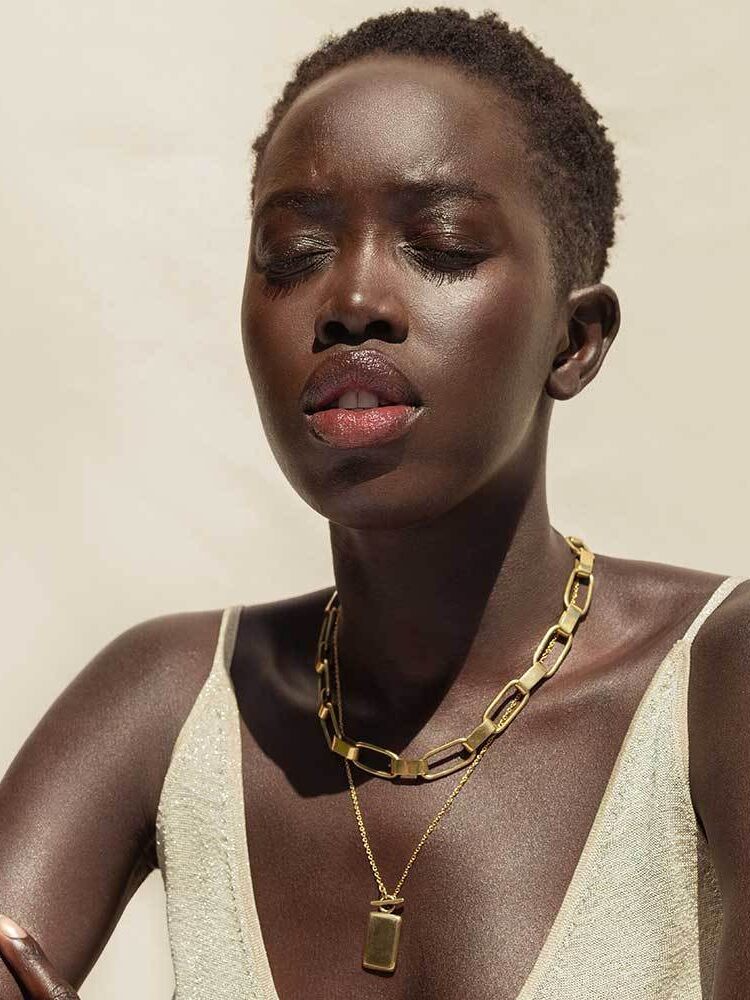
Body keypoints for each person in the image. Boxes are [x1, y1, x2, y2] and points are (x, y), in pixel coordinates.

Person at [0, 7, 748, 999]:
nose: (353, 298)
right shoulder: (171, 701)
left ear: (573, 344)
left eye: (439, 244)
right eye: (294, 253)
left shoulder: (714, 683)